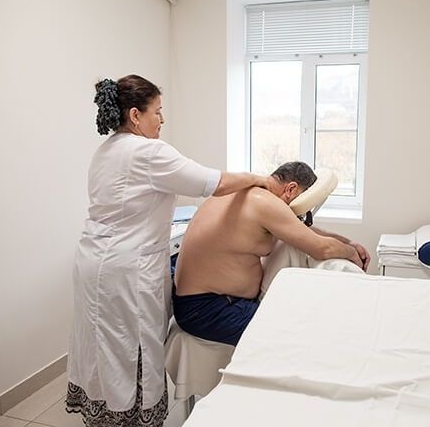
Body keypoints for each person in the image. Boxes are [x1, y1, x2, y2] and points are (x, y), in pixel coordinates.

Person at [66, 74, 278, 427]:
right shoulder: (148, 152)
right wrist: (257, 178)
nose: (162, 120)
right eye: (157, 111)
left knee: (102, 346)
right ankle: (131, 418)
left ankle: (106, 416)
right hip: (126, 270)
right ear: (135, 115)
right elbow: (214, 183)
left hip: (92, 262)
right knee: (131, 347)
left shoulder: (105, 150)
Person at [172, 161, 371, 346]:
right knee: (301, 333)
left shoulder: (248, 193)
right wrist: (352, 253)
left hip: (208, 302)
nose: (299, 214)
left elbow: (301, 230)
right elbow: (322, 248)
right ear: (291, 189)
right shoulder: (264, 202)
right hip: (207, 309)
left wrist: (347, 242)